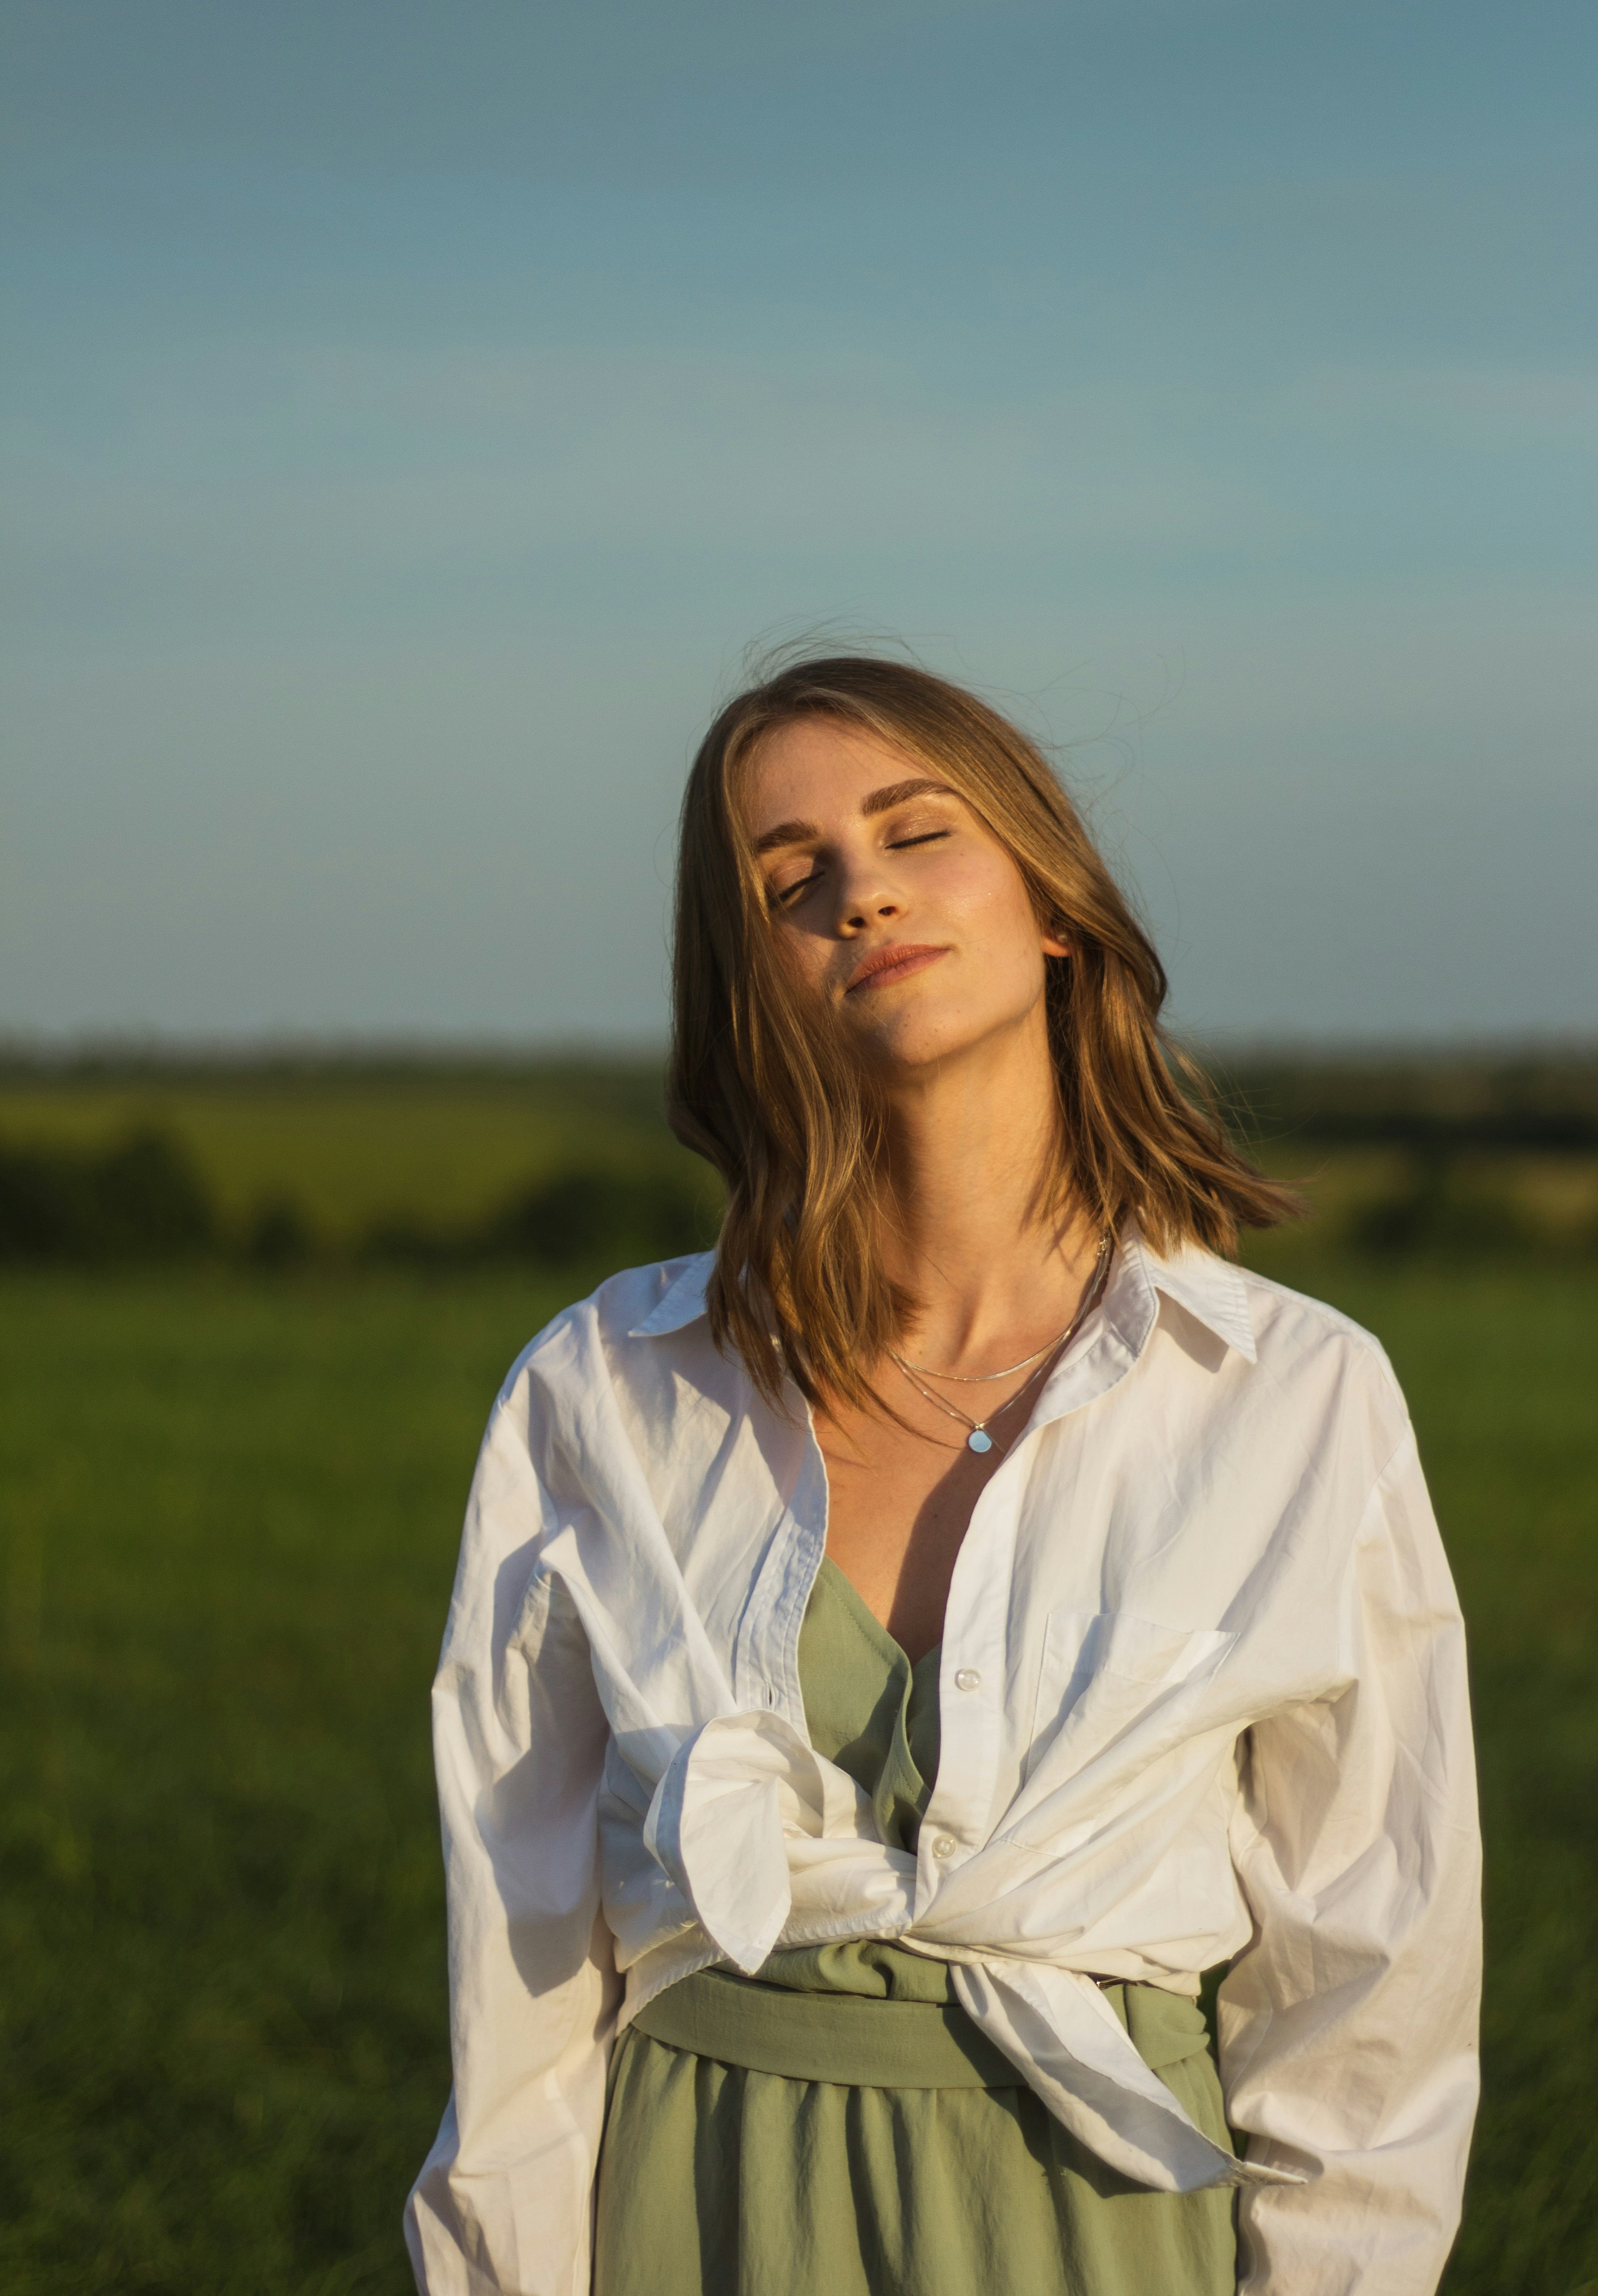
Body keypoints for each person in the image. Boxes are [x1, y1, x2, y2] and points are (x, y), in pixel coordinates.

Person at [404, 654, 1481, 2296]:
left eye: (918, 834)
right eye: (793, 876)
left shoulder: (1297, 1397)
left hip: (1109, 2229)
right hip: (701, 2219)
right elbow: (522, 1982)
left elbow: (1371, 2001)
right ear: (744, 974)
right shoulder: (604, 1396)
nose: (862, 895)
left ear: (1054, 904)